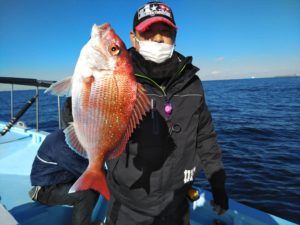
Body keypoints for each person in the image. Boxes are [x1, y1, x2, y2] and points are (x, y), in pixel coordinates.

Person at [104, 1, 229, 225]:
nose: (158, 39)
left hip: (177, 203)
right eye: (148, 32)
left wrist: (217, 182)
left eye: (165, 32)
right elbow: (87, 120)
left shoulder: (192, 83)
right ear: (133, 38)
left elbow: (205, 135)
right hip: (129, 204)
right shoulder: (118, 79)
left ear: (174, 36)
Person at [29, 129, 99, 225]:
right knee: (86, 195)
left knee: (93, 188)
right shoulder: (62, 146)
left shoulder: (67, 136)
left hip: (62, 178)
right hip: (46, 189)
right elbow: (86, 172)